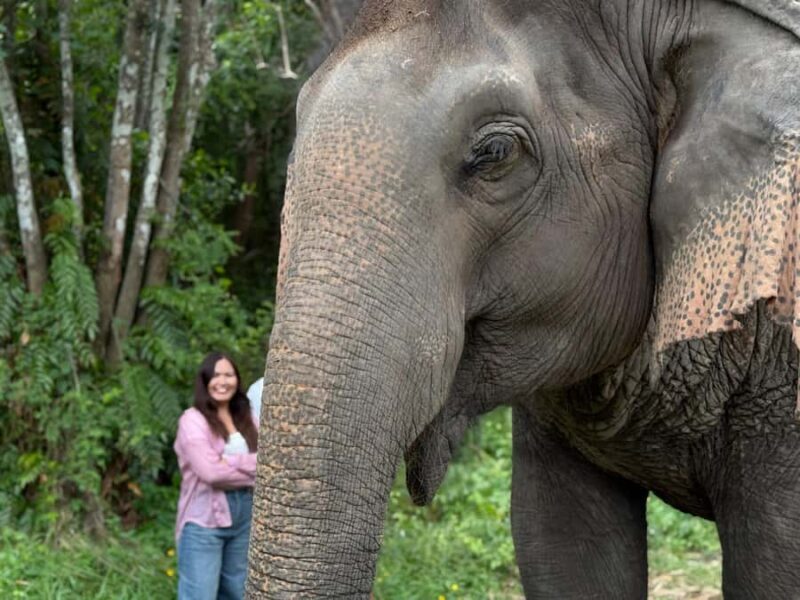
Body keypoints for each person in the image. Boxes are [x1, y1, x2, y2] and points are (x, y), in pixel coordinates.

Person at [174, 352, 258, 600]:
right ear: (205, 380)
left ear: (237, 380)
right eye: (216, 375)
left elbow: (270, 462)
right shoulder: (192, 420)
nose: (223, 381)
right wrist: (253, 466)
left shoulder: (247, 417)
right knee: (200, 595)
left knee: (237, 593)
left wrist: (227, 462)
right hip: (204, 523)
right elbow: (210, 473)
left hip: (244, 520)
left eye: (229, 375)